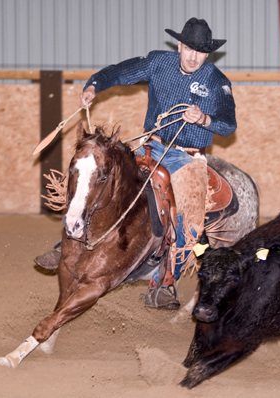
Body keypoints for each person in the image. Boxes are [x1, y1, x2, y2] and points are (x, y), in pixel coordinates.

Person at [34, 17, 236, 309]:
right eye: (189, 48)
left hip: (187, 158)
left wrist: (204, 119)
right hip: (151, 145)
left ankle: (164, 283)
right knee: (100, 178)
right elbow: (121, 71)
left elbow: (228, 125)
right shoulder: (158, 63)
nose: (193, 56)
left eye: (201, 52)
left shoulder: (217, 82)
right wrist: (94, 85)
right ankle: (66, 245)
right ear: (179, 45)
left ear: (208, 54)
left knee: (189, 222)